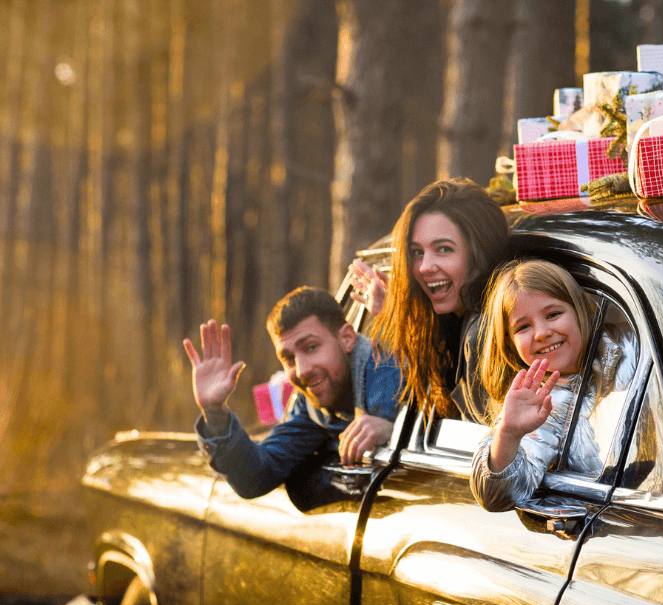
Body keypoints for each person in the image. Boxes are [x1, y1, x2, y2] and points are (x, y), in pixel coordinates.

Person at [183, 286, 402, 509]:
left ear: (347, 338)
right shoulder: (312, 406)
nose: (301, 370)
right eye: (288, 358)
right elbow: (256, 477)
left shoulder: (392, 363)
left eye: (311, 347)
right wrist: (215, 412)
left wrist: (391, 430)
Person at [470, 260, 636, 512]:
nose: (541, 333)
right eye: (523, 326)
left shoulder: (634, 345)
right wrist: (509, 434)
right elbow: (495, 498)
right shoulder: (540, 403)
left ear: (580, 310)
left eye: (553, 314)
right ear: (510, 342)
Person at [349, 178, 509, 421]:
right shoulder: (459, 322)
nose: (424, 267)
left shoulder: (483, 334)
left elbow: (481, 449)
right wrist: (399, 315)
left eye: (444, 249)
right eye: (416, 253)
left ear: (480, 253)